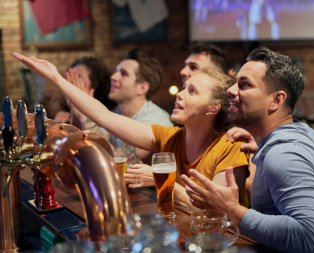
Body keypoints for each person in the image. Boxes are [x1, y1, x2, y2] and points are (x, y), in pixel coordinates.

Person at [12, 52, 250, 208]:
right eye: (184, 88)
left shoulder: (230, 148)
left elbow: (215, 209)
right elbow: (104, 116)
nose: (179, 94)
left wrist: (159, 179)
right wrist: (56, 77)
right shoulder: (171, 137)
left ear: (212, 109)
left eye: (192, 92)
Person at [181, 47, 314, 252]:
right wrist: (261, 148)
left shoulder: (283, 155)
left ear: (276, 100)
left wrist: (231, 209)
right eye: (235, 82)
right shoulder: (302, 133)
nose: (231, 90)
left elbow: (313, 239)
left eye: (244, 85)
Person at [67, 50, 173, 162]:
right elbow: (83, 146)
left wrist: (85, 114)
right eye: (116, 71)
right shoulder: (115, 112)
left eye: (123, 74)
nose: (113, 77)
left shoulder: (157, 120)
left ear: (142, 88)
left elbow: (120, 158)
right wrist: (76, 108)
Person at [54, 56, 116, 124]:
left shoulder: (109, 117)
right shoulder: (65, 115)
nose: (70, 82)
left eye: (78, 78)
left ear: (95, 85)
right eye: (69, 77)